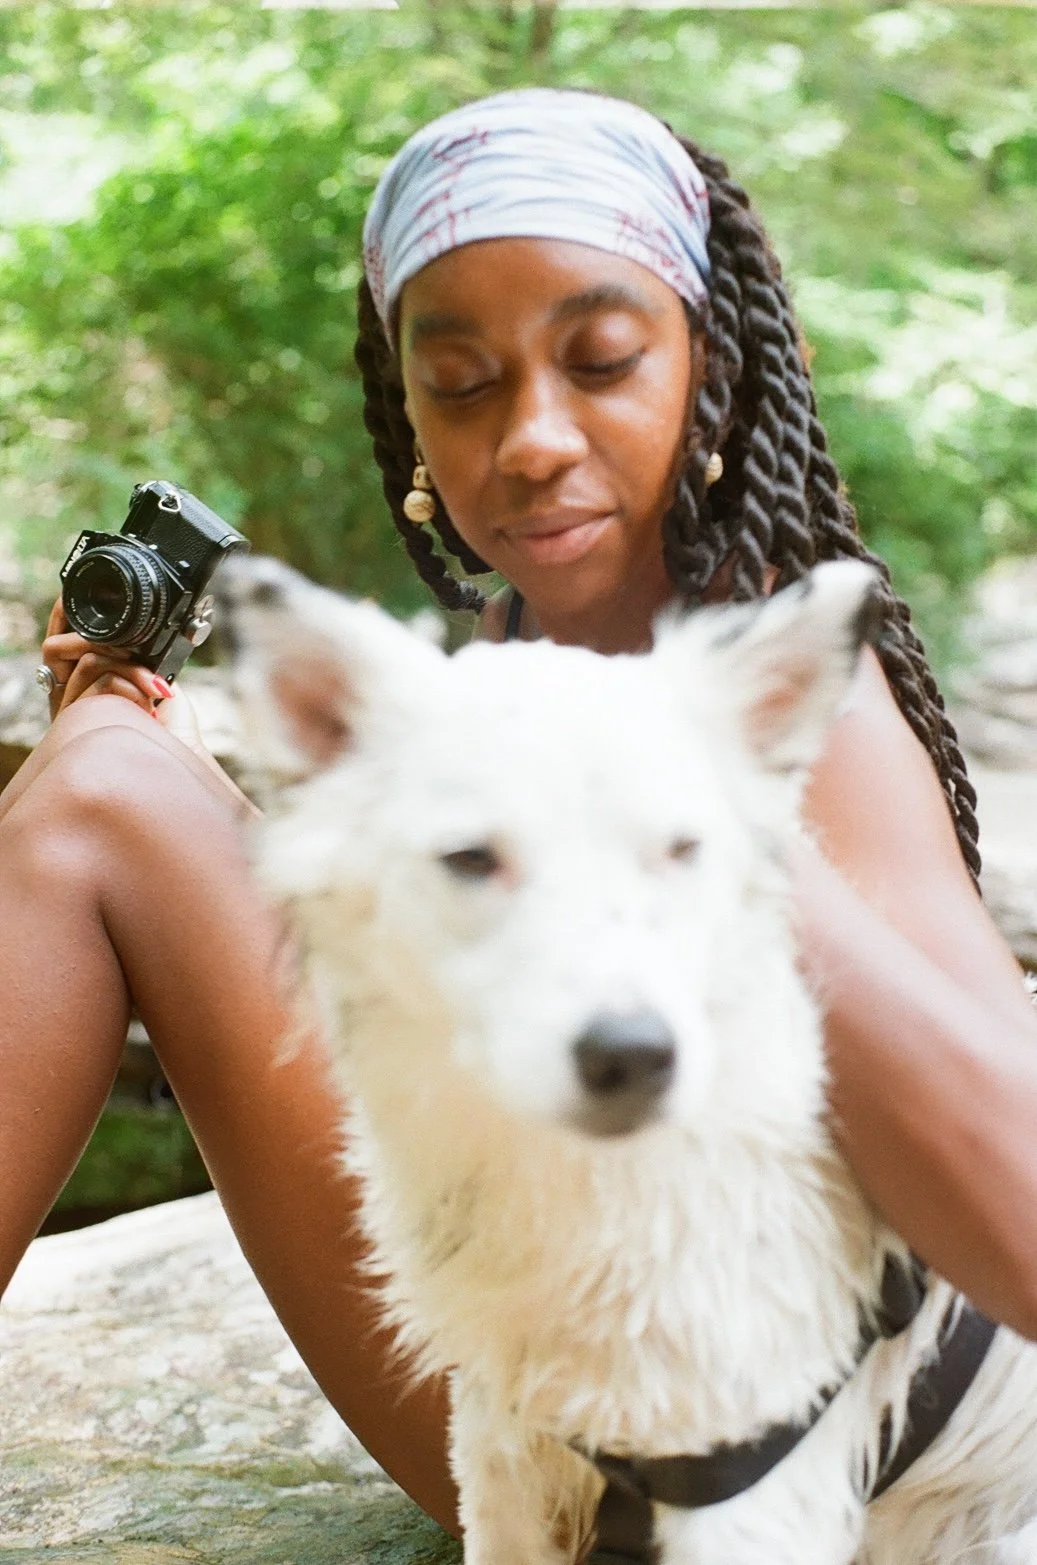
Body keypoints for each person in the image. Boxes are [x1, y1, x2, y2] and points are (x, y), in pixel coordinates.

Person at [2, 87, 1036, 1542]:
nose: (535, 437)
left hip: (705, 1432)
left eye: (602, 360)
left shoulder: (798, 703)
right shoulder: (505, 657)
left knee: (103, 798)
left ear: (721, 368)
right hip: (495, 1344)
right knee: (111, 758)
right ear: (410, 421)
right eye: (466, 384)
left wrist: (699, 819)